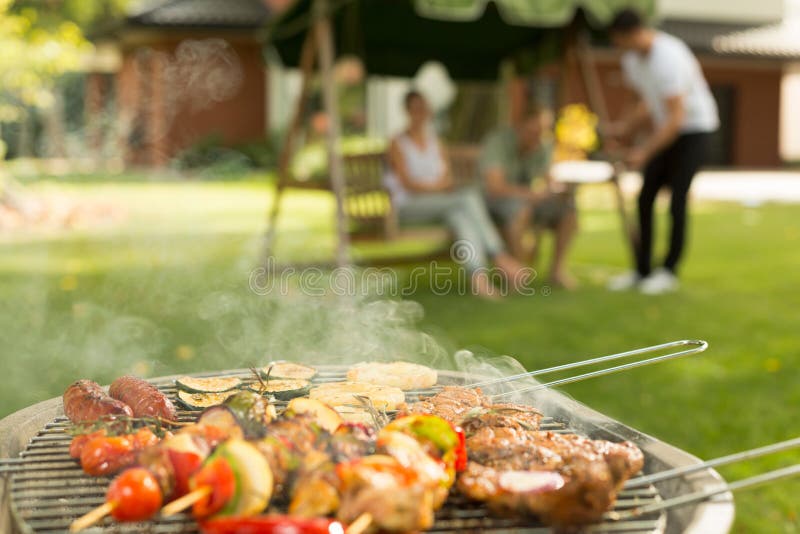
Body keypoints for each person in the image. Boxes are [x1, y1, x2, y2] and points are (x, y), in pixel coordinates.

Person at [605, 8, 719, 294]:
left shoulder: (669, 56)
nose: (618, 47)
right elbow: (639, 101)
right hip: (665, 129)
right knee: (645, 199)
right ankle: (642, 270)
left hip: (694, 130)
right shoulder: (632, 60)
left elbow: (676, 117)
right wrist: (622, 129)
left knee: (677, 199)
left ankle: (668, 270)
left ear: (633, 34)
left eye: (620, 41)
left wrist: (644, 151)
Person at [385, 90, 527, 299]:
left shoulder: (435, 142)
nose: (421, 113)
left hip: (440, 204)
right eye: (416, 108)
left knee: (460, 217)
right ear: (407, 111)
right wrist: (436, 188)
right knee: (467, 198)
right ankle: (500, 256)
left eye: (424, 108)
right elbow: (407, 184)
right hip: (409, 206)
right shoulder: (397, 143)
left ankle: (478, 279)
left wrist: (438, 188)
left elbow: (447, 178)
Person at [480, 109, 578, 289]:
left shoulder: (542, 144)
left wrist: (557, 190)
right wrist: (530, 194)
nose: (537, 137)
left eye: (542, 132)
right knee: (521, 211)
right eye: (534, 131)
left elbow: (548, 179)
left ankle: (556, 271)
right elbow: (495, 187)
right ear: (520, 126)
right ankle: (518, 272)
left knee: (569, 209)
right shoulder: (498, 141)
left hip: (527, 201)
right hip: (493, 202)